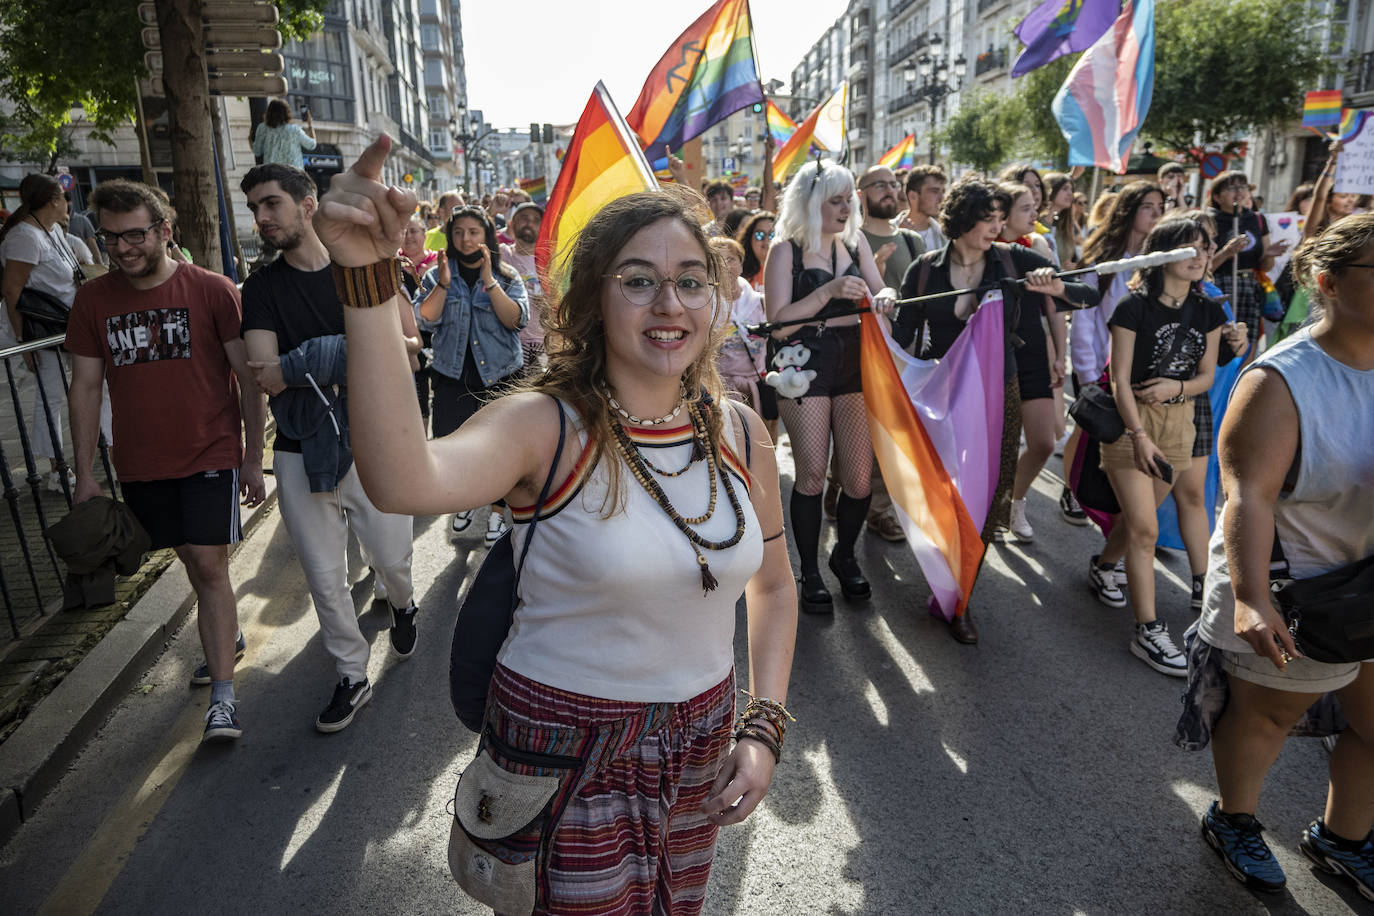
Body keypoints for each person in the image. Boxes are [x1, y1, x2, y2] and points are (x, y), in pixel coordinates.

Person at [319, 134, 797, 915]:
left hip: (704, 734)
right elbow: (402, 478)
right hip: (565, 747)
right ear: (594, 300)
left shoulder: (740, 430)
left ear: (716, 299)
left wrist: (764, 725)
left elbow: (774, 587)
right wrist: (367, 280)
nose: (669, 304)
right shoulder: (545, 425)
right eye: (638, 282)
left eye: (689, 281)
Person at [1187, 213, 1374, 899]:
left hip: (1369, 583)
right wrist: (1251, 598)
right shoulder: (1280, 379)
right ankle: (1234, 819)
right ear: (1327, 282)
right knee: (1267, 717)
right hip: (1304, 593)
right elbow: (1247, 497)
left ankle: (1343, 838)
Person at [64, 179, 267, 743]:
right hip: (141, 462)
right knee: (191, 561)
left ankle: (223, 699)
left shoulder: (212, 290)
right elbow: (84, 388)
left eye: (135, 235)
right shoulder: (93, 301)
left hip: (210, 452)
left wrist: (252, 457)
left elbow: (247, 380)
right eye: (111, 238)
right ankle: (223, 629)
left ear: (163, 231)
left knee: (208, 563)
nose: (123, 248)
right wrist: (85, 475)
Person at [238, 163, 421, 734]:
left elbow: (411, 348)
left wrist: (307, 360)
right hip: (298, 446)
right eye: (255, 209)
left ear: (307, 204)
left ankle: (404, 603)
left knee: (391, 557)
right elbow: (265, 375)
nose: (262, 218)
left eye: (271, 204)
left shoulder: (365, 267)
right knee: (323, 575)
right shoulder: (261, 287)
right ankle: (350, 672)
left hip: (374, 435)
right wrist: (360, 350)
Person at [893, 175, 1100, 643]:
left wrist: (1055, 288)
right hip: (942, 396)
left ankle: (961, 596)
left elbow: (1089, 296)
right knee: (945, 493)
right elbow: (903, 339)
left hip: (997, 394)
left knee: (984, 499)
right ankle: (944, 575)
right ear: (962, 220)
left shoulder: (1013, 259)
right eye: (987, 218)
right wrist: (886, 304)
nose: (996, 226)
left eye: (999, 218)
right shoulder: (924, 271)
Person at [1089, 218, 1226, 677]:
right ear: (1161, 254)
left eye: (1205, 249)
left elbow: (1206, 375)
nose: (1200, 255)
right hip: (1134, 426)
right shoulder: (1133, 308)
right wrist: (1139, 436)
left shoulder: (1208, 311)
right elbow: (1119, 379)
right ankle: (1148, 631)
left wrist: (1177, 388)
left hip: (1179, 424)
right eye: (1189, 247)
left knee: (1136, 522)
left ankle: (1104, 564)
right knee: (1146, 529)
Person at [765, 159, 896, 611]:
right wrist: (827, 292)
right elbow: (777, 325)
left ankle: (843, 556)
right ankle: (811, 571)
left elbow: (880, 292)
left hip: (855, 360)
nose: (845, 208)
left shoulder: (854, 242)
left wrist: (885, 297)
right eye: (835, 200)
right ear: (811, 202)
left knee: (859, 480)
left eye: (848, 200)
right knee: (812, 475)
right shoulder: (785, 250)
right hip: (804, 362)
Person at [414, 205, 528, 544]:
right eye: (459, 232)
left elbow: (516, 320)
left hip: (501, 376)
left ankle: (496, 513)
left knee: (502, 450)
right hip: (451, 377)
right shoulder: (437, 275)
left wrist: (491, 282)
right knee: (454, 447)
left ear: (486, 237)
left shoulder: (506, 275)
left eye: (473, 232)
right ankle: (468, 500)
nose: (465, 239)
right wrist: (444, 285)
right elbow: (424, 320)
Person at [0, 173, 111, 492]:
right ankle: (57, 469)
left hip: (69, 327)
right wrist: (26, 343)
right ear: (52, 201)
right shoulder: (25, 237)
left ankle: (109, 452)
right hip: (44, 331)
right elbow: (12, 291)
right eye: (64, 197)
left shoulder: (52, 232)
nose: (68, 203)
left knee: (100, 386)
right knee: (51, 396)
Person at [994, 181, 1065, 543]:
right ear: (1002, 215)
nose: (1034, 214)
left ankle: (1014, 502)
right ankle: (992, 507)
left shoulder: (1038, 246)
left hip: (1035, 350)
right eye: (1025, 208)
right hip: (996, 353)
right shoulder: (985, 253)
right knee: (1000, 444)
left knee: (1043, 443)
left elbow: (1055, 306)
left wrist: (1060, 356)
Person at [1207, 170, 1284, 354]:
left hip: (1250, 285)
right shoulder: (1210, 220)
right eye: (1231, 188)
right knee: (1219, 338)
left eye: (1243, 187)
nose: (1239, 192)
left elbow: (1266, 266)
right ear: (1217, 196)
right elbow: (1204, 267)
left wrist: (1269, 255)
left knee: (1248, 340)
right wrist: (1226, 253)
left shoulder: (1256, 219)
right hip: (1219, 284)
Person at [708, 236, 777, 442]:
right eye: (717, 261)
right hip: (722, 387)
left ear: (740, 262)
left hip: (758, 380)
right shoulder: (707, 306)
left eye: (730, 259)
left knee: (765, 439)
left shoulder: (761, 303)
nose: (725, 266)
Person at [499, 201, 548, 372]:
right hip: (507, 343)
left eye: (536, 220)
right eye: (524, 218)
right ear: (512, 224)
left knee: (536, 394)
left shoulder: (550, 260)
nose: (529, 223)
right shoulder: (502, 254)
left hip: (540, 345)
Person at [251, 99, 317, 171]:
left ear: (269, 112)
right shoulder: (294, 130)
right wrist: (310, 125)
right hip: (293, 174)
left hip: (272, 174)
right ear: (287, 113)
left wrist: (249, 139)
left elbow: (257, 152)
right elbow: (312, 145)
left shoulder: (262, 128)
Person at [897, 164, 947, 252]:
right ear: (913, 196)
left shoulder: (944, 236)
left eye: (943, 192)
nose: (942, 198)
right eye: (934, 192)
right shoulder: (890, 231)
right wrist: (899, 238)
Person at [735, 210, 775, 291]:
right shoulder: (737, 271)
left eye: (772, 235)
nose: (767, 240)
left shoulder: (790, 272)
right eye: (760, 234)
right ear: (750, 238)